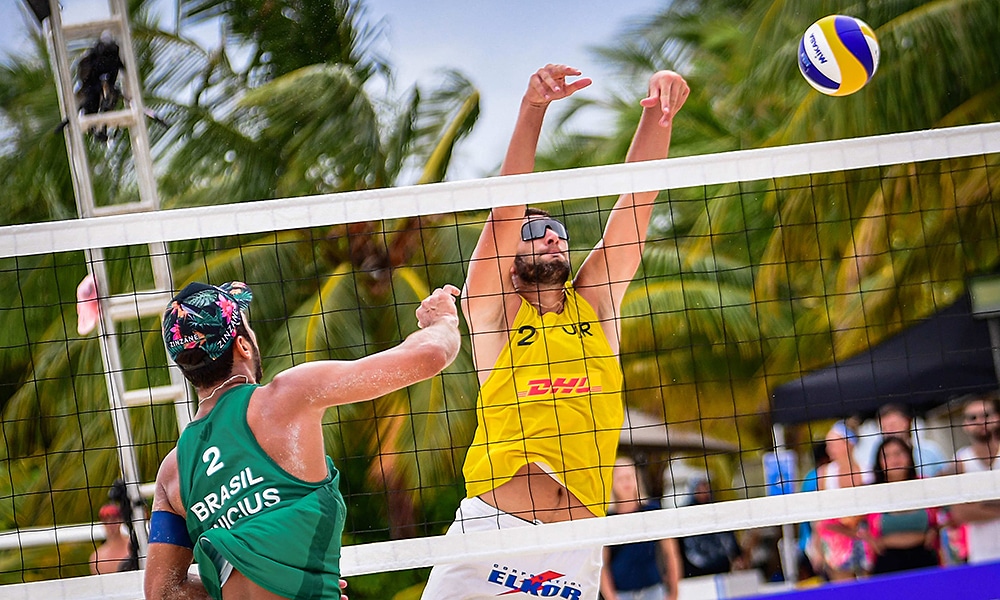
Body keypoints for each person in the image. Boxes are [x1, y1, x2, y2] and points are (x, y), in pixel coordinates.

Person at [421, 64, 689, 600]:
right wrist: (533, 108)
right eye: (534, 232)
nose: (549, 238)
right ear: (511, 257)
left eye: (557, 231)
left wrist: (662, 114)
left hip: (575, 548)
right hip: (490, 538)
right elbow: (504, 212)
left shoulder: (596, 304)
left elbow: (635, 204)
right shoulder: (494, 312)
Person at [143, 280, 461, 600]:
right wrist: (443, 319)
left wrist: (270, 583)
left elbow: (163, 592)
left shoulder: (172, 473)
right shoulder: (286, 397)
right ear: (243, 346)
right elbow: (431, 354)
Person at [600, 457, 681, 600]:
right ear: (612, 483)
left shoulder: (651, 511)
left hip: (654, 591)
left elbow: (671, 553)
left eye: (629, 477)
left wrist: (674, 593)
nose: (626, 482)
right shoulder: (608, 520)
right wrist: (610, 597)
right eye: (620, 478)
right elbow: (602, 564)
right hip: (622, 594)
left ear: (637, 479)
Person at [864, 437, 940, 574]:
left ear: (909, 457)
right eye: (887, 455)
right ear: (879, 462)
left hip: (925, 560)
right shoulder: (871, 492)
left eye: (899, 453)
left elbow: (951, 513)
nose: (894, 459)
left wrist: (937, 530)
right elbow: (837, 523)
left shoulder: (925, 485)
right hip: (887, 564)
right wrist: (867, 538)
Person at [812, 421, 871, 581]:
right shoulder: (824, 474)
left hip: (865, 536)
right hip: (836, 540)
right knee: (843, 590)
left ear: (849, 444)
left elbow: (874, 510)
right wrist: (816, 548)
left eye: (833, 443)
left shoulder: (868, 471)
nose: (828, 448)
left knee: (869, 588)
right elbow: (820, 514)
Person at [948, 391, 1000, 564]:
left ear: (997, 417)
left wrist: (980, 505)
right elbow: (961, 513)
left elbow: (970, 509)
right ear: (965, 425)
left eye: (985, 415)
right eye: (973, 417)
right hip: (981, 557)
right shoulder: (960, 462)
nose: (980, 421)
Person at [677, 477, 744, 578]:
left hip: (720, 566)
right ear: (694, 489)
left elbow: (728, 534)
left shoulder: (717, 508)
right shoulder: (685, 513)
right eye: (702, 486)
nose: (706, 489)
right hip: (694, 570)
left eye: (707, 486)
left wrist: (737, 554)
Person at [857, 403, 948, 478]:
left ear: (906, 422)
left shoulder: (930, 450)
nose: (889, 430)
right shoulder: (877, 455)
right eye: (884, 427)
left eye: (893, 425)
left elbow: (945, 476)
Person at [89, 503, 136, 574]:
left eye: (114, 520)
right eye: (106, 521)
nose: (110, 525)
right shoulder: (97, 558)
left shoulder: (134, 546)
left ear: (121, 520)